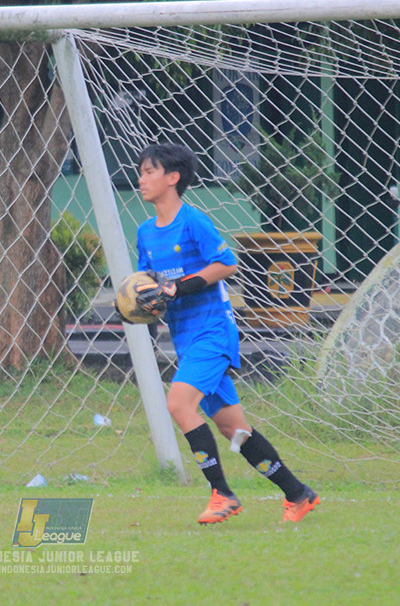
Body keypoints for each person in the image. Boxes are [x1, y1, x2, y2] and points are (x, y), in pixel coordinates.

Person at [132, 142, 319, 525]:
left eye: (150, 171)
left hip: (214, 332)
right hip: (185, 339)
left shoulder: (193, 221)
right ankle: (298, 494)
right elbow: (147, 286)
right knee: (234, 429)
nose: (142, 178)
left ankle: (222, 494)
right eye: (141, 171)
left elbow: (226, 264)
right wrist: (143, 303)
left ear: (173, 177)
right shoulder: (146, 233)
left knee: (178, 404)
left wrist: (180, 287)